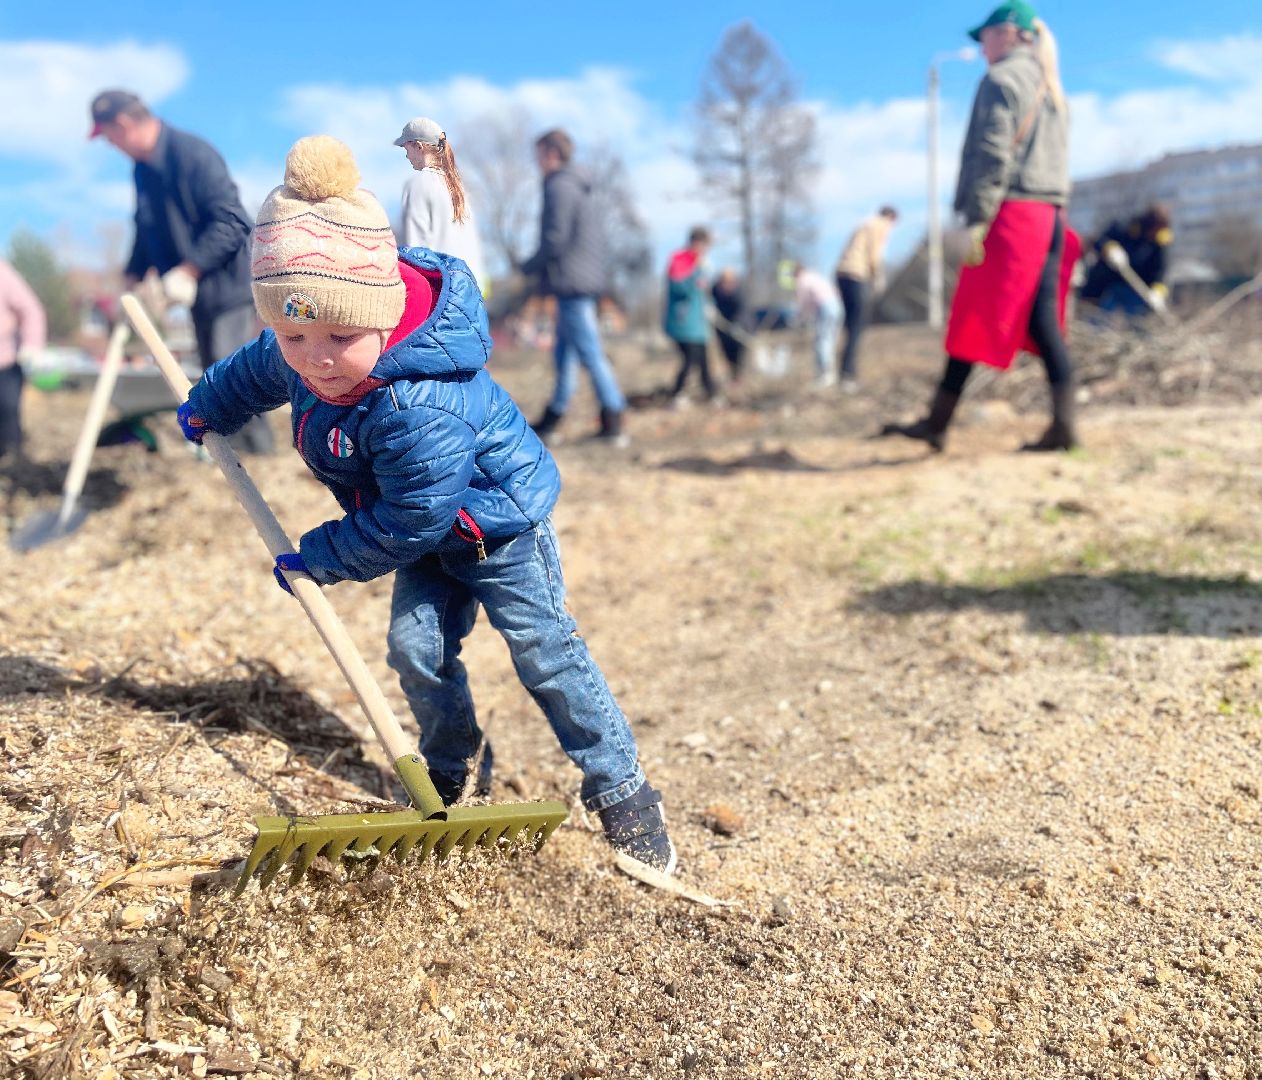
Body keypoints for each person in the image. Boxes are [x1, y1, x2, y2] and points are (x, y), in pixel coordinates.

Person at [173, 136, 675, 874]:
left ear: (383, 315)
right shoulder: (305, 349)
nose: (314, 357)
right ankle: (452, 762)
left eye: (340, 336)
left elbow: (414, 517)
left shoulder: (419, 402)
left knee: (545, 652)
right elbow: (260, 366)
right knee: (415, 650)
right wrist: (210, 404)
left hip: (494, 527)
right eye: (294, 333)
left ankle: (623, 789)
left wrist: (321, 556)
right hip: (425, 532)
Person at [880, 2, 1080, 452]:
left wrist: (979, 220)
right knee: (1044, 321)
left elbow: (993, 155)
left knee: (973, 315)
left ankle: (937, 423)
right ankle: (1064, 426)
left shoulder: (1001, 80)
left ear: (1009, 33)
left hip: (1010, 214)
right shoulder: (1053, 87)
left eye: (985, 37)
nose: (981, 46)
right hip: (1050, 216)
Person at [89, 89, 273, 454]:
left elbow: (232, 221)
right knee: (211, 380)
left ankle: (256, 461)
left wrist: (188, 270)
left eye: (109, 137)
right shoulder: (143, 171)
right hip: (198, 295)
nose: (111, 145)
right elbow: (145, 229)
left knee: (230, 379)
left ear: (123, 125)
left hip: (227, 289)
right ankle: (230, 460)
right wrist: (131, 280)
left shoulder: (192, 155)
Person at [520, 129, 627, 445]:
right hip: (578, 279)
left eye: (538, 154)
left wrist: (528, 266)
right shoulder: (577, 186)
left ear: (552, 154)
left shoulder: (560, 186)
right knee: (564, 354)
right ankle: (554, 415)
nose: (536, 162)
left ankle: (615, 417)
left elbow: (555, 239)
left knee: (590, 353)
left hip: (572, 282)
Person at [394, 117, 486, 289]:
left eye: (406, 148)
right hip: (470, 293)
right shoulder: (459, 187)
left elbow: (416, 251)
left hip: (439, 292)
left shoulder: (417, 184)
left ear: (418, 146)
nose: (406, 156)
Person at [835, 206, 898, 391]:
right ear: (891, 218)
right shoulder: (881, 225)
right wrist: (877, 276)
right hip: (856, 274)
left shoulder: (864, 222)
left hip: (842, 273)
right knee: (856, 326)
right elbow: (874, 253)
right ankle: (848, 375)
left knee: (849, 325)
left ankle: (841, 371)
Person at [1080, 203, 1173, 318]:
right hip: (1107, 284)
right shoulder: (1126, 226)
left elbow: (1160, 270)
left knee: (1136, 322)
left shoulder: (1159, 242)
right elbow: (1100, 239)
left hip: (1135, 291)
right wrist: (1110, 248)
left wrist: (1158, 292)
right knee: (1099, 319)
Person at [0, 258, 47, 461]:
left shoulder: (3, 273)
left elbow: (31, 309)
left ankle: (12, 461)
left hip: (5, 362)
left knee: (6, 413)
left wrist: (32, 345)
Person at [663, 227, 717, 405]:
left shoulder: (700, 263)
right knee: (691, 357)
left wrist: (711, 307)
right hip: (683, 321)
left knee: (702, 358)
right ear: (696, 242)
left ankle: (711, 393)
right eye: (705, 245)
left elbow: (702, 294)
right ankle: (677, 394)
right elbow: (679, 288)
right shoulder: (680, 260)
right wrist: (696, 278)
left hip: (698, 322)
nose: (706, 250)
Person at [793, 263, 842, 388]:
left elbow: (803, 303)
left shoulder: (802, 281)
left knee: (822, 341)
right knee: (830, 340)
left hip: (824, 307)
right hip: (837, 306)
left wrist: (800, 319)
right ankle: (831, 373)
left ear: (797, 273)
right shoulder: (815, 277)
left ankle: (824, 375)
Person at [710, 269, 748, 384]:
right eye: (725, 282)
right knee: (727, 353)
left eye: (730, 282)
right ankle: (732, 376)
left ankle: (739, 376)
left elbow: (743, 310)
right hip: (722, 329)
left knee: (739, 353)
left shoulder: (738, 292)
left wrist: (738, 324)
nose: (728, 285)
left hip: (740, 328)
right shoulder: (715, 291)